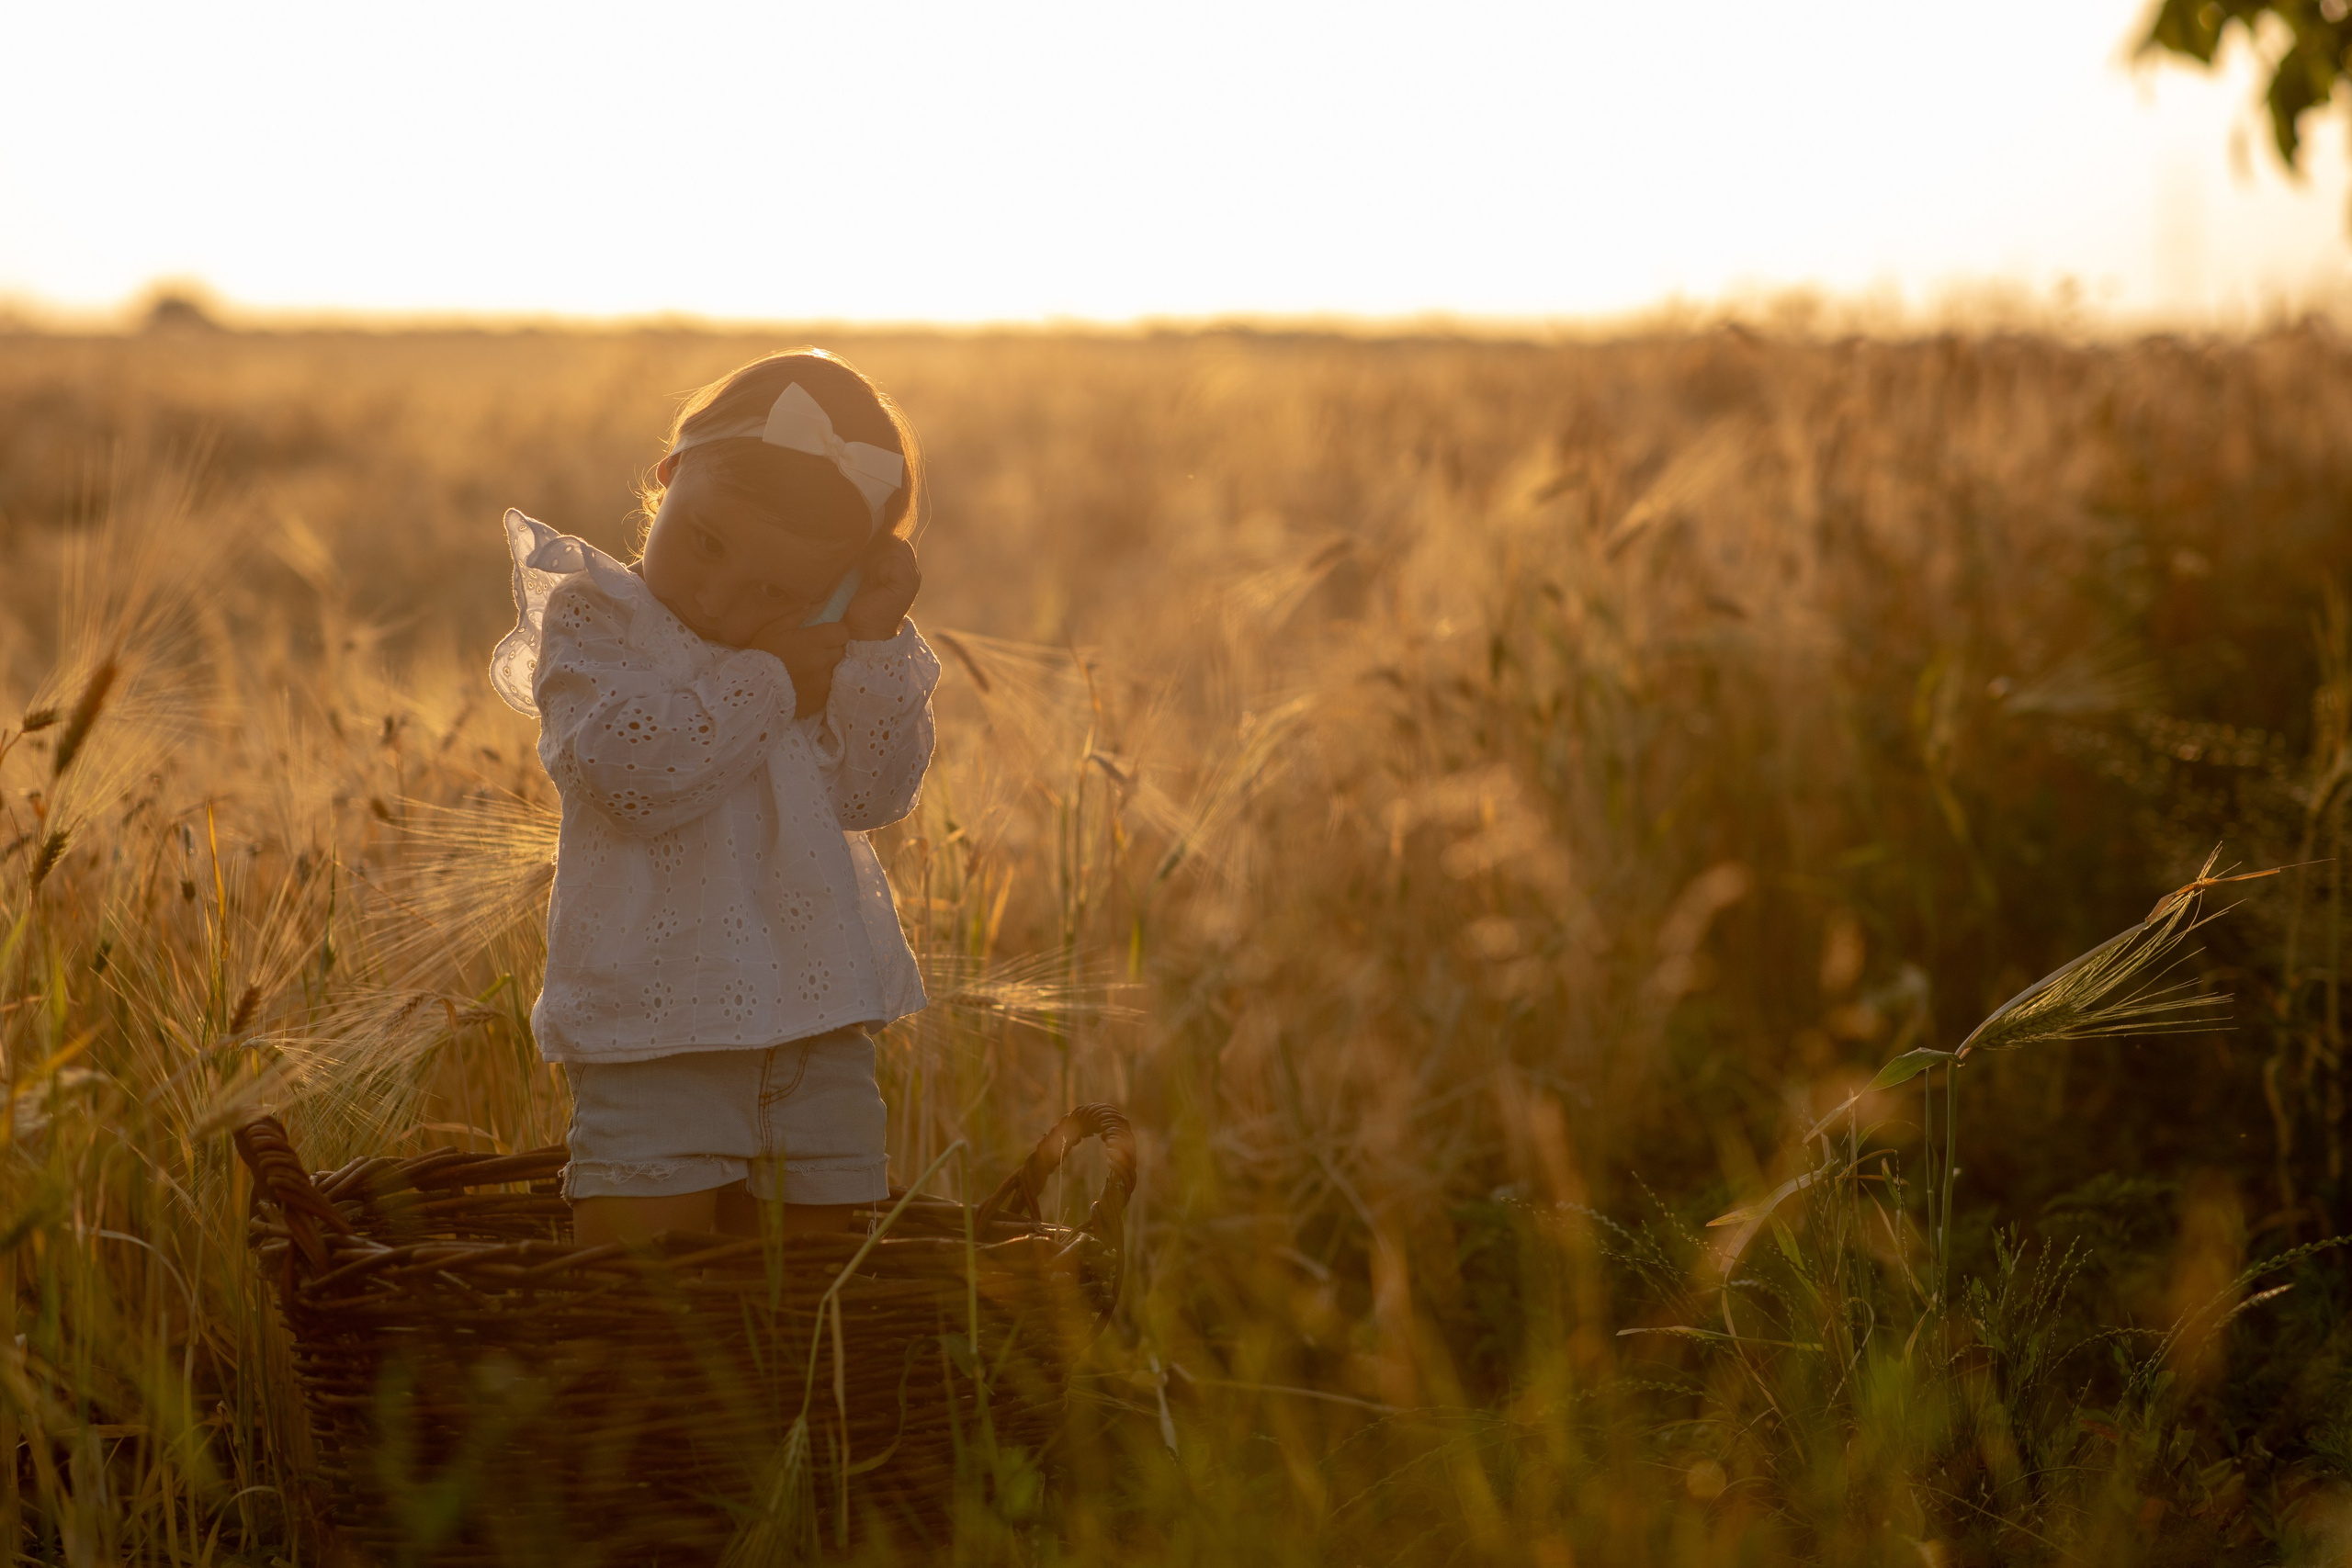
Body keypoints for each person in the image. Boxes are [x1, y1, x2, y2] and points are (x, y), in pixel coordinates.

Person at [489, 349, 936, 1245]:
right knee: (647, 1283)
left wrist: (868, 640)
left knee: (827, 1290)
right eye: (705, 541)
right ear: (669, 475)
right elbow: (628, 774)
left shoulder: (827, 652)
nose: (722, 595)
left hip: (818, 1031)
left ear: (835, 583)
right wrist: (768, 682)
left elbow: (873, 794)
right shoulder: (597, 621)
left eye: (776, 587)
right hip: (656, 1034)